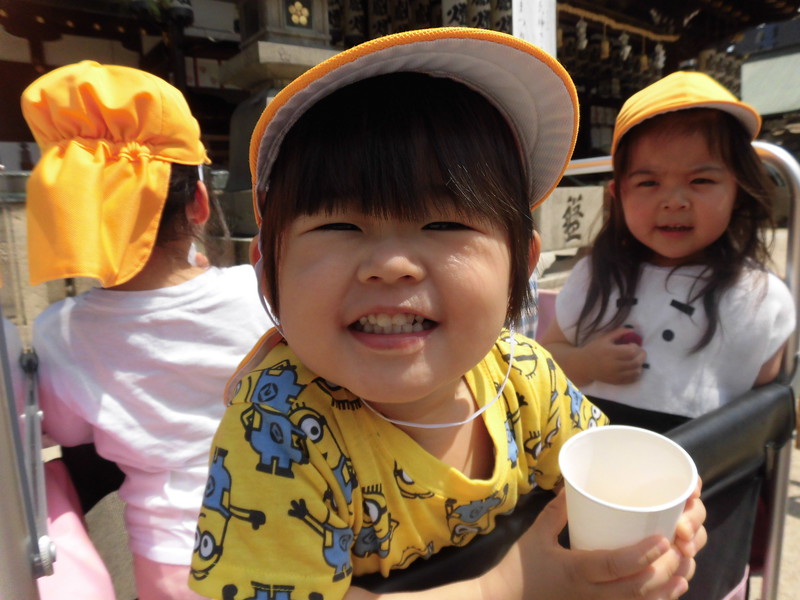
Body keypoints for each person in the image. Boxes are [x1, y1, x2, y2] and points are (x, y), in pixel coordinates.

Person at [189, 28, 706, 600]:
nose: (390, 265)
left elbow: (607, 474)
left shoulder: (524, 379)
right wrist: (505, 587)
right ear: (267, 271)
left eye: (445, 225)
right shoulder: (279, 429)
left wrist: (660, 529)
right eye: (338, 225)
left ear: (522, 265)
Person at [21, 61, 271, 600]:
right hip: (286, 535)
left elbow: (68, 432)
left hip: (168, 561)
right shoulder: (258, 294)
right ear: (199, 204)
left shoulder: (60, 331)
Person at [540, 71, 796, 433]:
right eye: (649, 182)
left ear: (737, 191)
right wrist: (585, 364)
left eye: (701, 181)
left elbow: (762, 402)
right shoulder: (596, 274)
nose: (674, 201)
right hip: (593, 460)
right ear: (619, 195)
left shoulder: (759, 296)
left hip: (701, 475)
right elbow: (546, 359)